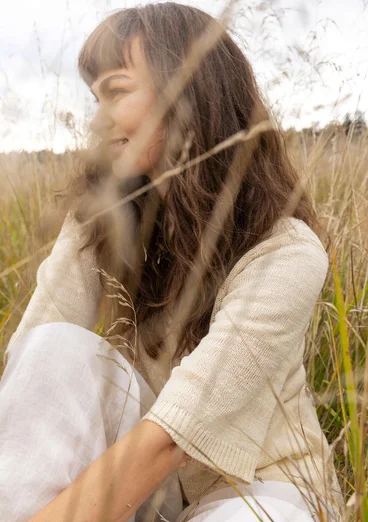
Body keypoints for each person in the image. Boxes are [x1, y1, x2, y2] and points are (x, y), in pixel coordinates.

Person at [0, 3, 344, 521]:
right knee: (53, 348)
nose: (97, 120)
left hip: (260, 489)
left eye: (115, 91)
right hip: (142, 494)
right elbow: (30, 376)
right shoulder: (97, 221)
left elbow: (175, 436)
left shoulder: (287, 252)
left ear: (188, 92)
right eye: (95, 99)